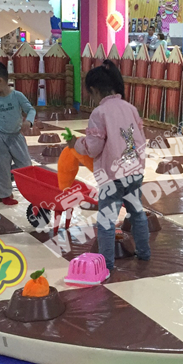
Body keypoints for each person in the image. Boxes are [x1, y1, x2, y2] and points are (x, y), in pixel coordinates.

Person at [66, 60, 151, 270]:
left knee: (106, 220)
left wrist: (76, 144)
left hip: (113, 176)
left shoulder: (99, 113)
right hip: (134, 171)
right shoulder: (130, 108)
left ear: (94, 90)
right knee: (137, 213)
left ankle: (106, 264)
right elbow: (139, 139)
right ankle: (144, 253)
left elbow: (94, 147)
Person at [0, 61, 35, 205]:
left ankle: (8, 175)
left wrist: (28, 122)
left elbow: (31, 110)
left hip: (16, 137)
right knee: (0, 166)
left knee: (25, 165)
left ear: (0, 80)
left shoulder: (17, 96)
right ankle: (5, 195)